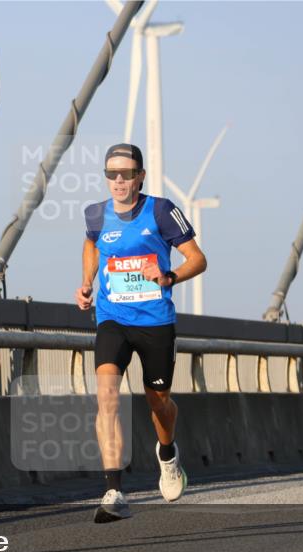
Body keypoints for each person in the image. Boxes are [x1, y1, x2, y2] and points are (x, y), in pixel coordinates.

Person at [75, 143, 207, 523]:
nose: (119, 181)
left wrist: (168, 276)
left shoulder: (162, 211)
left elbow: (198, 259)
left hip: (155, 321)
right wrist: (86, 282)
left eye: (127, 173)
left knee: (158, 402)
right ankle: (114, 489)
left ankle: (167, 453)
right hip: (112, 318)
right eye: (112, 174)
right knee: (107, 397)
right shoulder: (96, 214)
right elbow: (91, 244)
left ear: (140, 176)